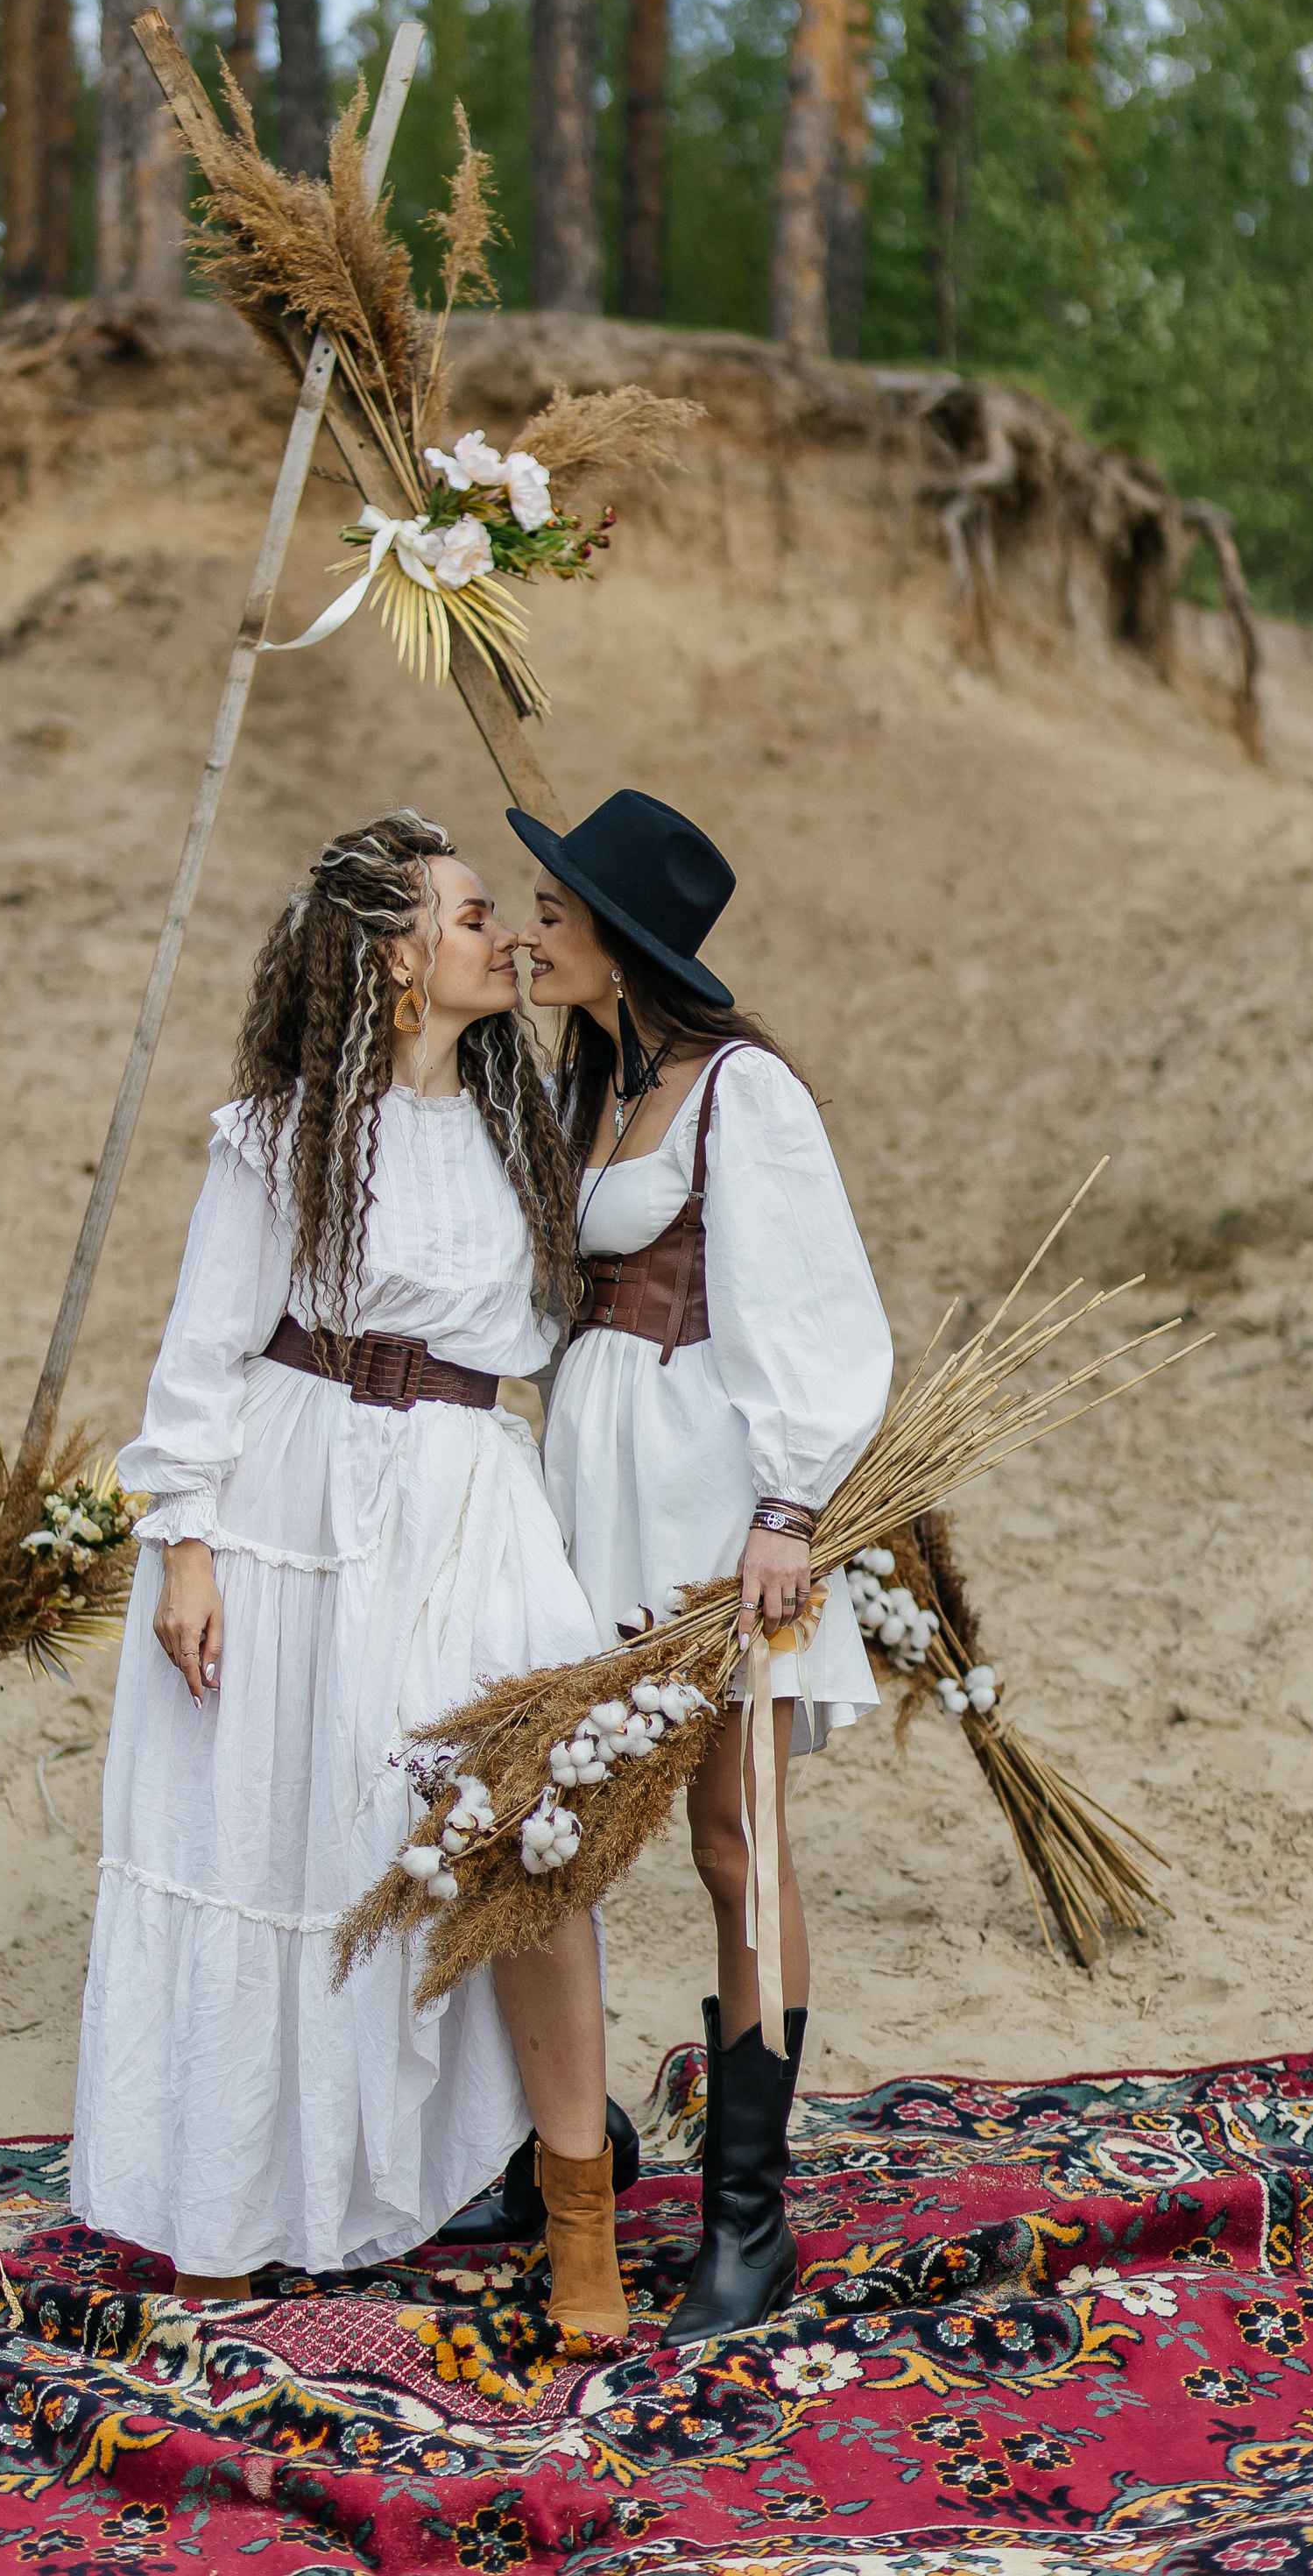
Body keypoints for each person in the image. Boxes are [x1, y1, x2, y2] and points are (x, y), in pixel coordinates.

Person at [71, 812, 630, 2342]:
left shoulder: (531, 1123)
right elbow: (204, 1348)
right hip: (289, 1498)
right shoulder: (286, 1131)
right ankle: (232, 2195)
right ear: (394, 959)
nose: (500, 940)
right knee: (269, 1844)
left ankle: (580, 2208)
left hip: (467, 1493)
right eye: (467, 918)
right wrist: (186, 1545)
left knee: (526, 1836)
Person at [507, 788, 893, 2346]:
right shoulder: (584, 1083)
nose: (533, 928)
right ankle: (547, 2141)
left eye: (552, 909)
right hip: (587, 1474)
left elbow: (815, 1308)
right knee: (560, 1824)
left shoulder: (744, 1096)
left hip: (712, 1489)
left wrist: (790, 1510)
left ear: (617, 937)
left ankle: (749, 2214)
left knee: (735, 1841)